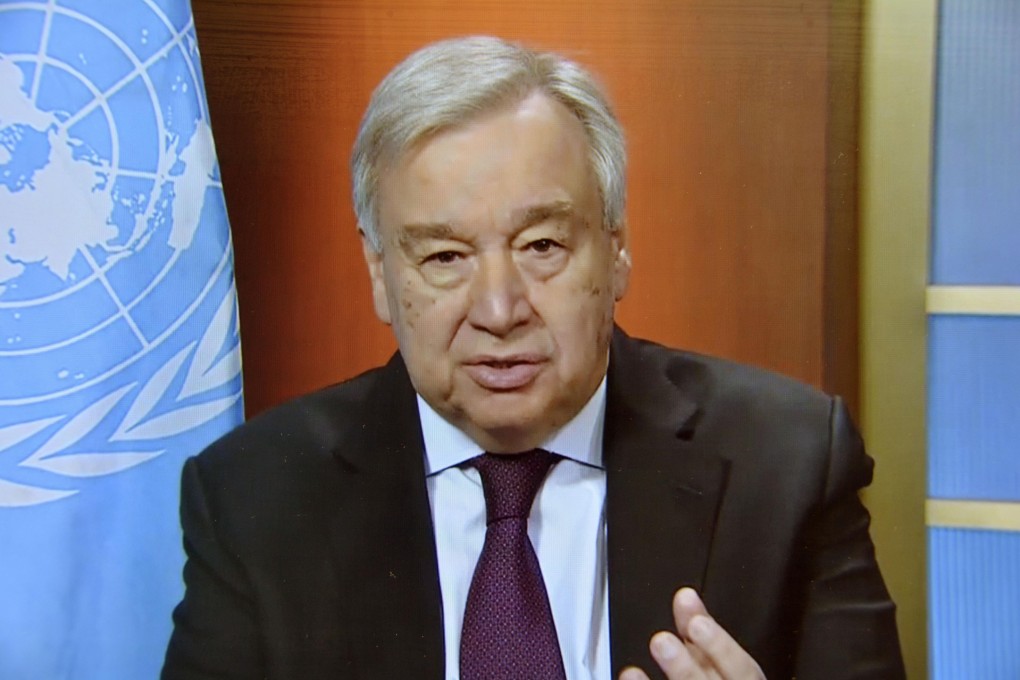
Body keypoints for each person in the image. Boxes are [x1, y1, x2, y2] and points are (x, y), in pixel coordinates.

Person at [162, 36, 904, 680]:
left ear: (615, 251)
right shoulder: (257, 500)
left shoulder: (787, 464)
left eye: (541, 246)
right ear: (379, 275)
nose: (498, 310)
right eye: (445, 256)